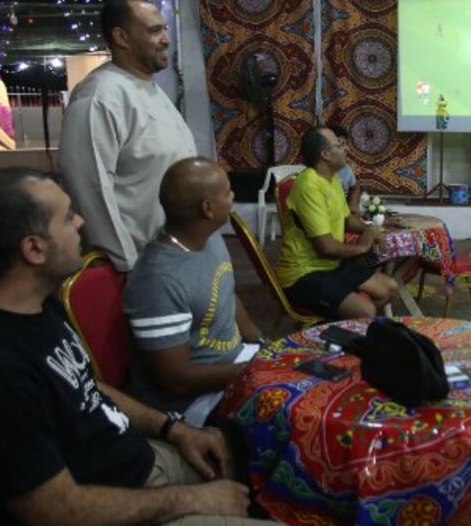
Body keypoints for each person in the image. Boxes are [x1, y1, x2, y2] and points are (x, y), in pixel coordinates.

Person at [0, 168, 324, 526]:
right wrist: (190, 500)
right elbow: (57, 516)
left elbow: (88, 388)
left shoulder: (32, 306)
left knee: (274, 469)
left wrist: (174, 430)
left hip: (129, 466)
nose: (81, 223)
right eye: (68, 216)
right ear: (34, 248)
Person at [59, 0, 198, 272]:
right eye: (154, 30)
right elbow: (91, 190)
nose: (166, 39)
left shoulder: (151, 89)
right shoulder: (100, 96)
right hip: (141, 264)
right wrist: (125, 267)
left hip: (174, 256)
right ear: (121, 37)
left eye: (164, 29)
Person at [123, 158, 264, 427]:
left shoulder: (208, 237)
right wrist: (255, 371)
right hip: (195, 402)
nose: (233, 195)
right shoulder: (158, 280)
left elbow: (225, 294)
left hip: (236, 363)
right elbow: (177, 381)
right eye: (227, 191)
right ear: (207, 208)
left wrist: (262, 344)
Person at [276, 127, 397, 319]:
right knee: (365, 311)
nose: (346, 148)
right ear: (325, 154)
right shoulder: (309, 186)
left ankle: (335, 326)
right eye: (340, 145)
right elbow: (326, 247)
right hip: (303, 274)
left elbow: (347, 221)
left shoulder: (332, 180)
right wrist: (364, 245)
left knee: (389, 288)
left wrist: (371, 230)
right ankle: (337, 332)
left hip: (331, 266)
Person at [327, 124, 362, 214]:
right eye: (340, 144)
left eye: (346, 144)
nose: (347, 149)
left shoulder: (345, 169)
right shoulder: (312, 182)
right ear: (324, 151)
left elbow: (355, 186)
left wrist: (353, 204)